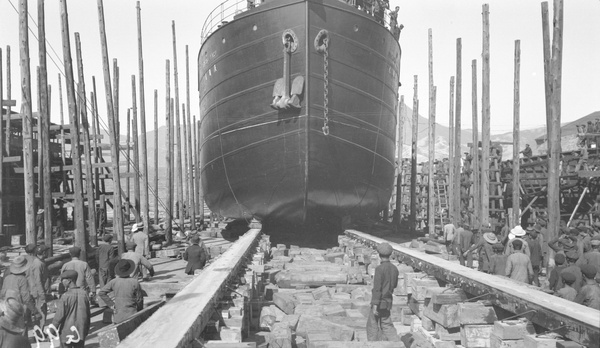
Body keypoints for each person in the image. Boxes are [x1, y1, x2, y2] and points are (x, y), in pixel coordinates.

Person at [47, 270, 90, 348]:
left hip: (67, 331)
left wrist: (52, 331)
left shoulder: (66, 296)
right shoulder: (84, 294)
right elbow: (88, 314)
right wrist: (86, 329)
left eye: (63, 280)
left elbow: (59, 316)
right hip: (80, 330)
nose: (62, 282)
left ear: (69, 281)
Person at [367, 242, 399, 342]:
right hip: (388, 301)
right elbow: (394, 285)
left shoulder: (379, 269)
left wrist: (375, 304)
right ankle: (397, 343)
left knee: (372, 325)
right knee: (386, 324)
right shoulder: (394, 269)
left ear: (379, 255)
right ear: (390, 255)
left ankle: (373, 344)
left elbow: (377, 288)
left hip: (379, 302)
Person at [97, 259, 143, 324]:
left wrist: (111, 304)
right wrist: (139, 310)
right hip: (132, 313)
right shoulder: (135, 282)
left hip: (118, 315)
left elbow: (101, 293)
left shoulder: (114, 282)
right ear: (129, 270)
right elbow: (139, 300)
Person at [25, 244, 49, 331]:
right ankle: (39, 333)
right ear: (43, 252)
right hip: (38, 292)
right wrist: (42, 295)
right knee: (42, 313)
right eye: (46, 251)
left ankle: (39, 331)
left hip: (36, 290)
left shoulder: (39, 262)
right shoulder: (38, 264)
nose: (48, 253)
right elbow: (37, 280)